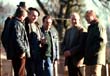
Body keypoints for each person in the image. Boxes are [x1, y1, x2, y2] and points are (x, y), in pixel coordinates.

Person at [5, 7, 30, 76]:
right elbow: (17, 39)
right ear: (22, 16)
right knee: (20, 73)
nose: (25, 18)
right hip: (19, 54)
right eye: (25, 17)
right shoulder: (17, 24)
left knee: (20, 72)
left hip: (15, 53)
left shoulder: (12, 22)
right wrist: (22, 50)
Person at [84, 10, 107, 76]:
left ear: (93, 16)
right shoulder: (90, 27)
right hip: (89, 59)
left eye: (88, 16)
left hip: (96, 59)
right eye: (85, 17)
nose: (86, 18)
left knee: (95, 74)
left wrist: (91, 52)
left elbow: (102, 42)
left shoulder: (99, 26)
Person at [25, 7, 43, 76]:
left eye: (36, 16)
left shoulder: (37, 26)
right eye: (33, 15)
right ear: (28, 14)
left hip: (37, 55)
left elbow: (39, 38)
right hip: (29, 55)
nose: (35, 17)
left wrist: (42, 41)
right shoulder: (24, 24)